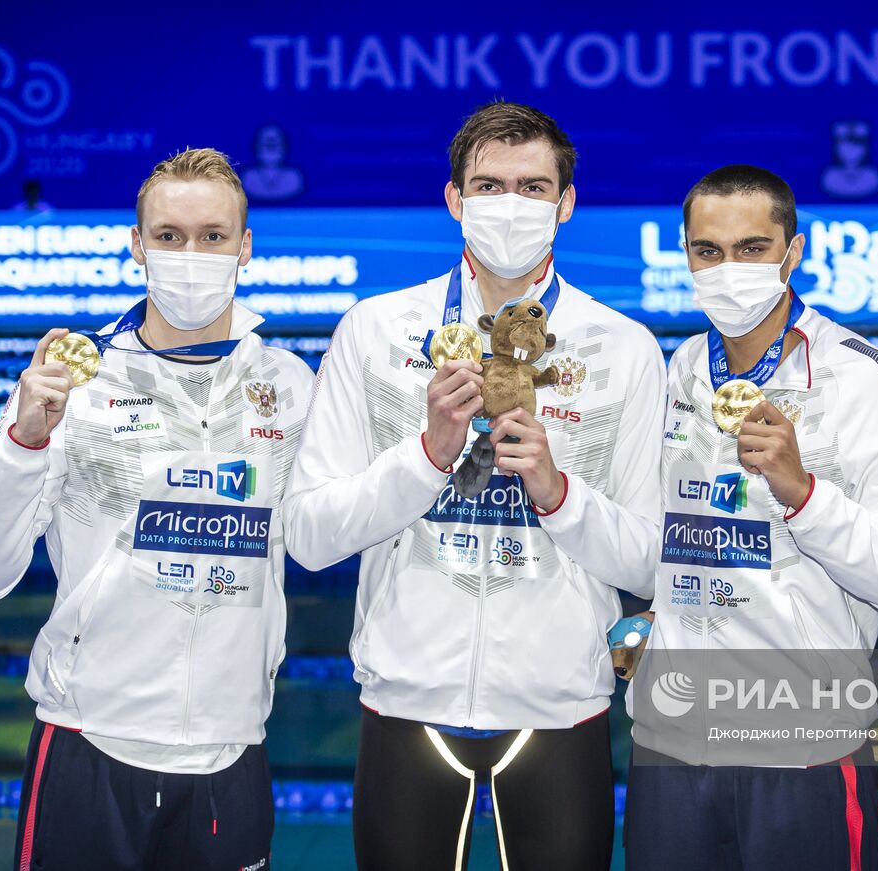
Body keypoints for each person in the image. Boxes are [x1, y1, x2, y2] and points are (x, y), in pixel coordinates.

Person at [283, 100, 665, 871]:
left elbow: (652, 562)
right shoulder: (375, 330)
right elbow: (311, 535)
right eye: (489, 186)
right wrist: (425, 457)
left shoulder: (624, 350)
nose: (510, 206)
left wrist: (560, 494)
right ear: (455, 200)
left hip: (560, 707)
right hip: (408, 704)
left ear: (566, 204)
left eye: (532, 188)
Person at [0, 148, 314, 871]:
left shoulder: (290, 386)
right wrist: (23, 442)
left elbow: (328, 528)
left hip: (231, 747)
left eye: (213, 236)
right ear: (137, 245)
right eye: (170, 236)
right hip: (88, 741)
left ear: (245, 246)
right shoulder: (70, 386)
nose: (191, 254)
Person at [623, 164, 878, 871]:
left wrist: (805, 495)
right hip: (669, 748)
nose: (728, 269)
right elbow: (672, 541)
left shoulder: (860, 376)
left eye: (751, 248)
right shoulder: (681, 368)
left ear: (792, 253)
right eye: (707, 251)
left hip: (800, 752)